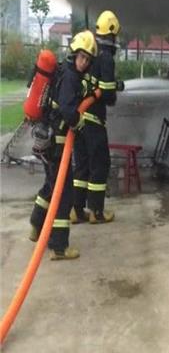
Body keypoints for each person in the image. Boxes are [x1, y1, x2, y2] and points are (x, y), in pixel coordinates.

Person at [29, 30, 98, 260]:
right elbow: (68, 110)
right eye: (82, 57)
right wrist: (79, 123)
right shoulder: (70, 78)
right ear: (74, 54)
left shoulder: (65, 73)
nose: (84, 62)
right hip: (57, 144)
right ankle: (59, 246)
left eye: (87, 59)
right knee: (64, 193)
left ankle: (36, 225)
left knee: (50, 186)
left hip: (48, 141)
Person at [71, 10, 122, 224]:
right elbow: (108, 95)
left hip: (79, 120)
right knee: (100, 164)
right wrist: (115, 88)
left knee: (81, 166)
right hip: (94, 122)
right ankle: (96, 212)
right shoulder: (106, 58)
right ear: (113, 33)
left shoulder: (90, 52)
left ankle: (77, 211)